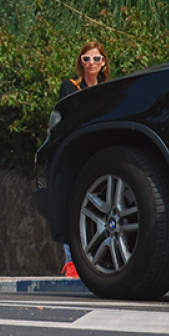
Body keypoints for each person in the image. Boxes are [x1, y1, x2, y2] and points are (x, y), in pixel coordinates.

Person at [56, 41, 110, 277]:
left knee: (101, 207)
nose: (91, 64)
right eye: (86, 59)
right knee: (72, 204)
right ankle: (71, 260)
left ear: (103, 63)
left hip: (101, 152)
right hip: (76, 152)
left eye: (96, 59)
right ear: (80, 62)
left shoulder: (109, 88)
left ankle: (99, 259)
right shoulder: (70, 87)